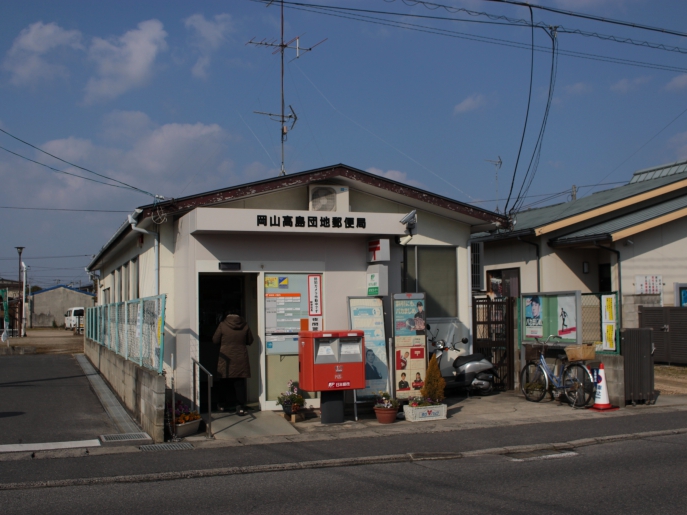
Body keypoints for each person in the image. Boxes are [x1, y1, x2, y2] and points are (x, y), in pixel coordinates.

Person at [212, 309, 254, 416]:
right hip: (240, 358)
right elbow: (250, 341)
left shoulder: (222, 325)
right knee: (239, 383)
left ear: (227, 314)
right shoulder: (245, 325)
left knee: (224, 382)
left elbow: (215, 340)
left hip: (226, 358)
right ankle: (240, 407)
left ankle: (222, 404)